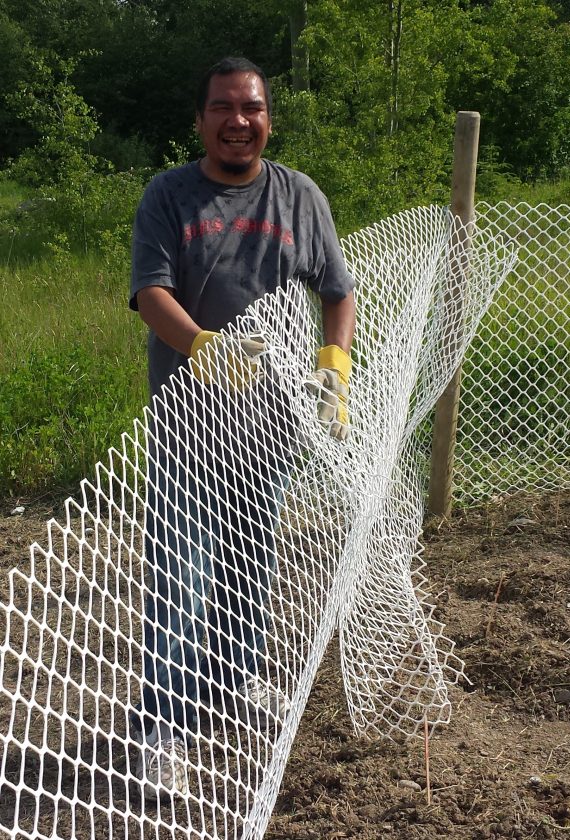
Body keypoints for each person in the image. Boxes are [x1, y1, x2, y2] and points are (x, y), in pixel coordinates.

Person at [128, 56, 355, 800]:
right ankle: (162, 726)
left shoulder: (299, 196)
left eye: (251, 108)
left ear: (268, 120)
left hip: (272, 423)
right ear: (200, 120)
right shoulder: (169, 195)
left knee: (249, 563)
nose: (238, 121)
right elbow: (150, 292)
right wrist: (202, 346)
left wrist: (334, 367)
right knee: (181, 578)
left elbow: (337, 291)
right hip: (189, 423)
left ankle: (238, 680)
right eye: (223, 108)